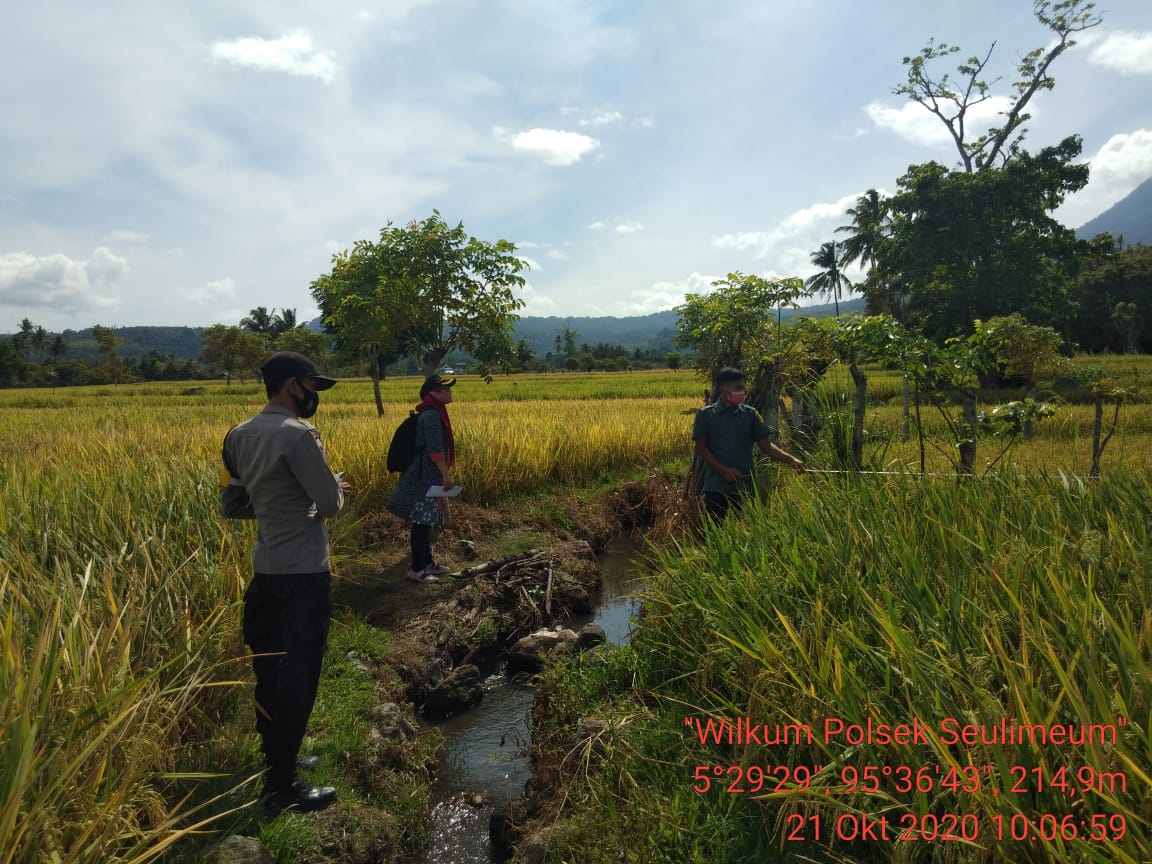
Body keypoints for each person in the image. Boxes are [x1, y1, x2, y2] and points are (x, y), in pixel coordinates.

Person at [220, 350, 345, 812]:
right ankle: (283, 785)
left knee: (269, 669)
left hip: (265, 572)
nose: (314, 395)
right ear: (292, 384)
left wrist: (278, 507)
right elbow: (330, 504)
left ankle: (278, 756)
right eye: (312, 386)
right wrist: (332, 489)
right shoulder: (299, 435)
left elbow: (232, 506)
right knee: (299, 672)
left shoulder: (236, 435)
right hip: (304, 574)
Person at [692, 367, 805, 521]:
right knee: (716, 530)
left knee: (746, 529)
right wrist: (724, 471)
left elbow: (767, 446)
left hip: (745, 487)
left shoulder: (749, 414)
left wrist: (791, 460)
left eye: (743, 387)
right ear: (723, 389)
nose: (742, 391)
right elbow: (701, 448)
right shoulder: (706, 415)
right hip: (716, 487)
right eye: (738, 388)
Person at [386, 374, 457, 583]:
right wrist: (446, 475)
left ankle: (427, 563)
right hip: (424, 477)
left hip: (427, 474)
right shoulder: (432, 415)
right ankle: (417, 569)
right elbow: (435, 450)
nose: (450, 392)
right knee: (421, 522)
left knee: (426, 521)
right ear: (433, 393)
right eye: (446, 389)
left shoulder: (434, 412)